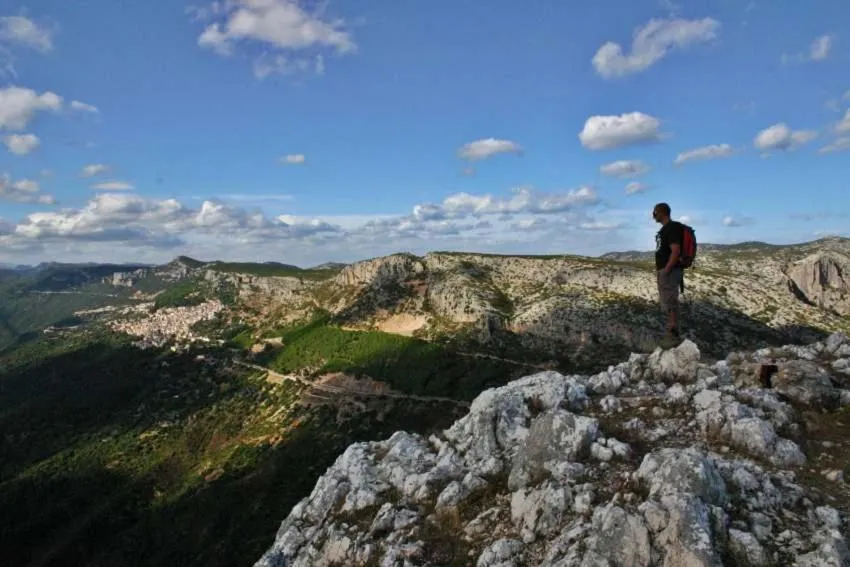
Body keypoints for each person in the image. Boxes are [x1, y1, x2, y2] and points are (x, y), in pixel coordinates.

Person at [652, 202, 684, 348]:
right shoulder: (666, 229)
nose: (653, 215)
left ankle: (673, 333)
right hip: (667, 271)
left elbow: (675, 251)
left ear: (662, 212)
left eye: (655, 212)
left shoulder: (671, 228)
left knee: (670, 301)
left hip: (669, 271)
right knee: (668, 301)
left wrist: (666, 270)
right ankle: (672, 330)